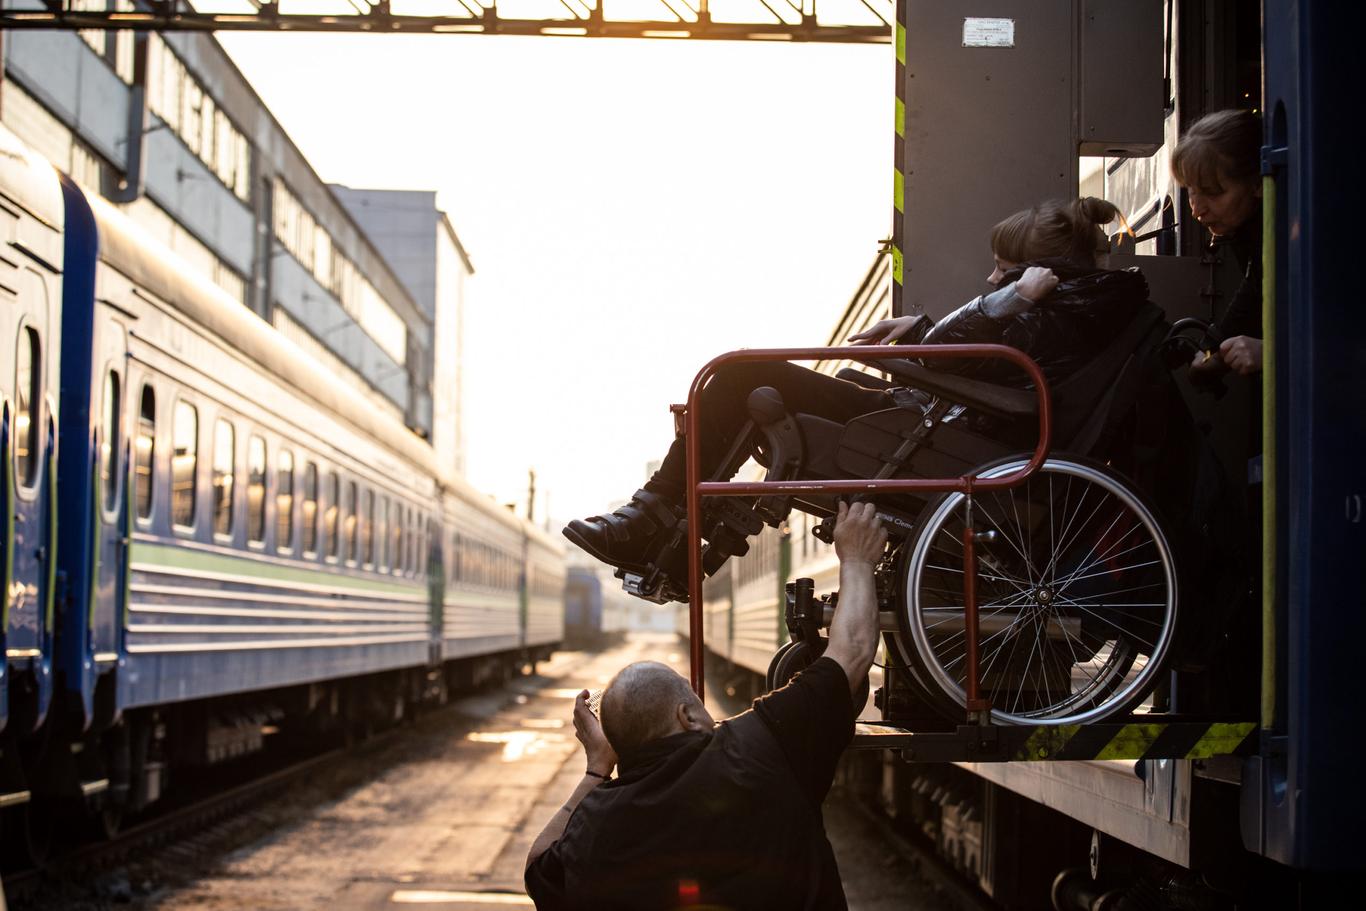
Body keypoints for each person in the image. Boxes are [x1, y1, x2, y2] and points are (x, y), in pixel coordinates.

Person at [565, 197, 1148, 593]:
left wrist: (997, 304)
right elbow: (977, 357)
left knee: (744, 376)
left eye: (1004, 273)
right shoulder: (1078, 307)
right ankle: (659, 525)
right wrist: (922, 330)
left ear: (1038, 274)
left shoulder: (1065, 309)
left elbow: (966, 349)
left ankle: (654, 518)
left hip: (953, 445)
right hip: (948, 432)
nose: (992, 282)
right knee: (750, 377)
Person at [524, 501, 888, 910]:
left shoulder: (596, 825)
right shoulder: (765, 744)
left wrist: (595, 769)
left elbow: (538, 868)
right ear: (687, 715)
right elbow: (853, 651)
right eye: (692, 696)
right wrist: (856, 559)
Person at [1171, 108, 1264, 375]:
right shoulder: (1249, 231)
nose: (1197, 209)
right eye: (1191, 191)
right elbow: (1255, 286)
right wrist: (1213, 347)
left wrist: (1271, 353)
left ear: (1256, 184)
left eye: (1213, 192)